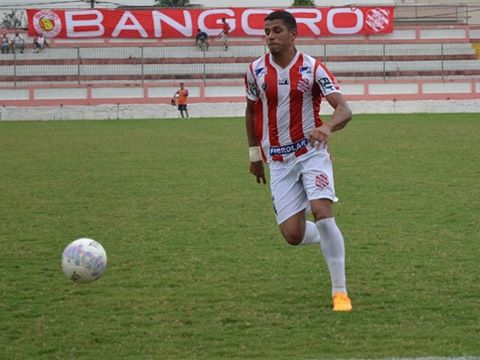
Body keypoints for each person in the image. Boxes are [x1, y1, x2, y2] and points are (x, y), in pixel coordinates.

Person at [245, 10, 353, 312]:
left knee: (322, 210)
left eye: (277, 30)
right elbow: (251, 111)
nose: (270, 36)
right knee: (292, 235)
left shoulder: (313, 69)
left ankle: (339, 292)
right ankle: (328, 235)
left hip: (311, 152)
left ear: (293, 35)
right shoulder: (255, 70)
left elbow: (344, 109)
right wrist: (255, 154)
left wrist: (327, 127)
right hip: (278, 160)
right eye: (266, 31)